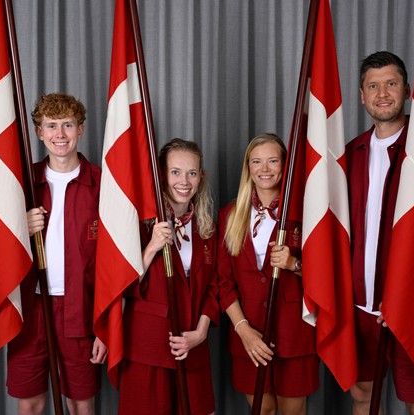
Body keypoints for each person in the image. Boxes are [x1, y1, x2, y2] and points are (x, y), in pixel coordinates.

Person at [346, 51, 414, 415]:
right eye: (373, 86)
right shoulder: (349, 155)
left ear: (407, 90)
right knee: (363, 396)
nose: (382, 93)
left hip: (413, 306)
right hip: (360, 305)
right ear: (361, 95)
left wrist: (407, 294)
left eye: (391, 84)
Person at [6, 93, 107, 415]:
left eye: (67, 125)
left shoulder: (102, 184)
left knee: (79, 403)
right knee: (31, 403)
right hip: (31, 307)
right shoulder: (22, 183)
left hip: (81, 306)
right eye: (51, 126)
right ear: (39, 132)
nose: (59, 135)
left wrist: (106, 327)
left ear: (81, 129)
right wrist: (21, 228)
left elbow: (114, 262)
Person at [217, 133, 319, 415]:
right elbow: (223, 282)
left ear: (285, 165)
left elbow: (328, 274)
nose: (265, 169)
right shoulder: (229, 215)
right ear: (247, 167)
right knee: (262, 410)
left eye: (273, 161)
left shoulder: (305, 213)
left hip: (294, 334)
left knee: (293, 412)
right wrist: (244, 331)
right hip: (248, 334)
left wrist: (293, 264)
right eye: (257, 161)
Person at [118, 138, 219, 415]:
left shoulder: (206, 227)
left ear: (201, 177)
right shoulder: (137, 221)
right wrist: (150, 247)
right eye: (175, 172)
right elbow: (121, 287)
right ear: (161, 174)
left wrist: (200, 332)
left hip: (193, 346)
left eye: (192, 172)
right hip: (148, 347)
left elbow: (214, 286)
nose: (184, 181)